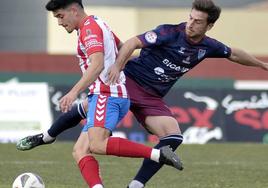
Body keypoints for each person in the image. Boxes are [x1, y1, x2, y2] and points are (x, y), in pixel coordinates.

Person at [17, 0, 268, 187]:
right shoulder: (170, 32)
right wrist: (117, 65)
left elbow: (233, 53)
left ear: (209, 25)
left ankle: (135, 185)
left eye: (197, 21)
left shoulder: (206, 46)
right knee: (85, 138)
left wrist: (261, 64)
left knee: (173, 137)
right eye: (190, 18)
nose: (190, 23)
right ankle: (47, 136)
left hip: (149, 98)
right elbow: (132, 42)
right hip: (129, 82)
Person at [17, 0, 183, 188]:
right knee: (80, 150)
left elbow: (97, 64)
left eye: (60, 16)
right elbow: (122, 49)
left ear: (73, 10)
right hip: (111, 94)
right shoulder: (98, 23)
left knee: (97, 144)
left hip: (106, 94)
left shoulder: (89, 29)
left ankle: (158, 154)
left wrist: (73, 92)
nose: (59, 22)